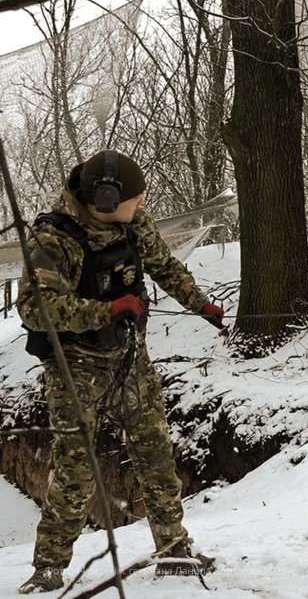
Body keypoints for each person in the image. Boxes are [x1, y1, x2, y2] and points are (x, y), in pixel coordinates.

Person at [16, 150, 224, 594]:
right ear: (106, 200)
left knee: (156, 457)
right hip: (75, 369)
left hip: (129, 360)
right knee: (77, 472)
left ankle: (175, 551)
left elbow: (164, 265)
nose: (143, 202)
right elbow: (35, 308)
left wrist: (201, 304)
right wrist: (106, 311)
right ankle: (48, 568)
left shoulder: (135, 223)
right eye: (136, 196)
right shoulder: (54, 238)